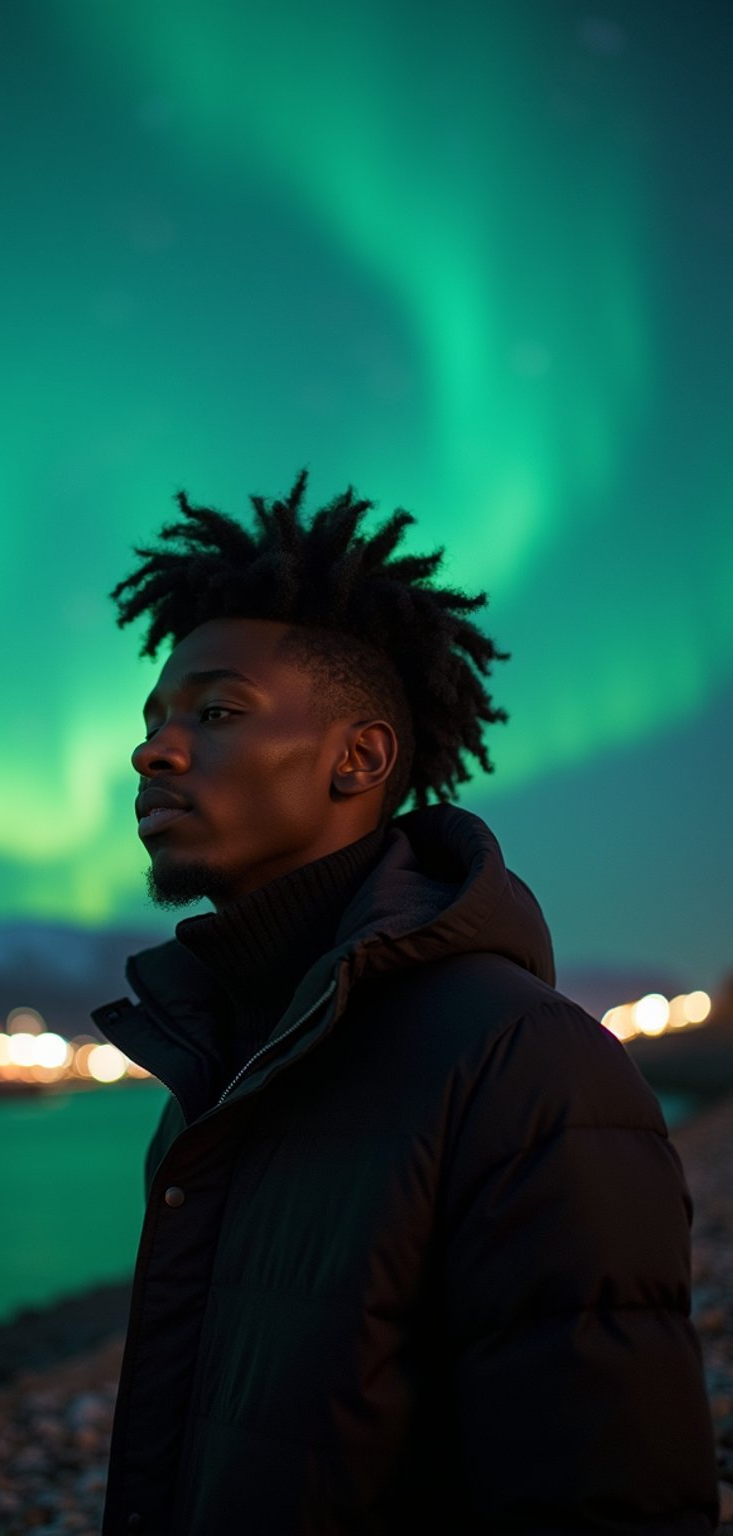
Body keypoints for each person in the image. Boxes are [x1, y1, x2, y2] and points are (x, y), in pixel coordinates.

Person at [92, 472, 718, 1535]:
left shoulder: (526, 1065)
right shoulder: (221, 1069)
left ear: (360, 757)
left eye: (215, 711)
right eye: (153, 718)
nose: (153, 748)